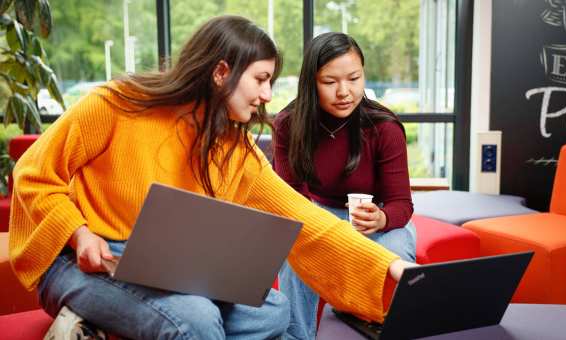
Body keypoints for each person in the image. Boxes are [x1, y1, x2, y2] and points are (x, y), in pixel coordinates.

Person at [8, 16, 413, 340]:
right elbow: (33, 174)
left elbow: (305, 219)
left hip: (159, 267)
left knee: (274, 311)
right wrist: (79, 233)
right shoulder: (115, 104)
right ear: (221, 72)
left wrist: (391, 267)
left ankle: (103, 325)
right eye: (260, 79)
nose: (268, 95)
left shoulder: (234, 149)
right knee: (196, 319)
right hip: (78, 262)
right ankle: (100, 317)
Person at [273, 32, 417, 339]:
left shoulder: (384, 127)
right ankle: (297, 335)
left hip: (377, 220)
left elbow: (401, 203)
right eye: (329, 82)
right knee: (293, 252)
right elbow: (289, 197)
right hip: (317, 215)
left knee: (395, 252)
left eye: (354, 78)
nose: (344, 92)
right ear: (311, 82)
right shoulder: (289, 124)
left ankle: (387, 330)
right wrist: (323, 229)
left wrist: (382, 218)